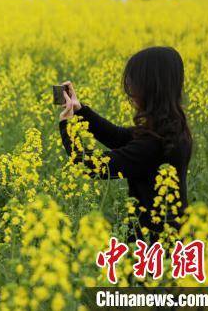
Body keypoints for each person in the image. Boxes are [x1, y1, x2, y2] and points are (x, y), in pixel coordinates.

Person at [58, 46, 192, 243]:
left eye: (134, 85)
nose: (130, 92)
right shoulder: (173, 130)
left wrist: (66, 127)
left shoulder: (153, 145)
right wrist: (80, 111)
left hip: (152, 244)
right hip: (173, 237)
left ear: (150, 89)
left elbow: (93, 166)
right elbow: (119, 137)